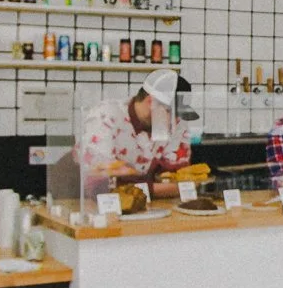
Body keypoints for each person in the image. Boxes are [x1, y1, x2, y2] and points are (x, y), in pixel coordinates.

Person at [78, 69, 196, 198]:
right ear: (151, 101)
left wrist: (138, 187)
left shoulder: (175, 124)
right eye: (171, 112)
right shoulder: (106, 117)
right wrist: (155, 188)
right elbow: (100, 185)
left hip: (149, 208)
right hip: (79, 201)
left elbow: (181, 179)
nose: (176, 121)